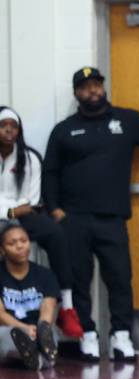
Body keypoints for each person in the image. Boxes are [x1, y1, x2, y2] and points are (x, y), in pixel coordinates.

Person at [42, 67, 139, 361]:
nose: (92, 91)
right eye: (85, 87)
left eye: (96, 85)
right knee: (79, 279)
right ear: (76, 93)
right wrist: (54, 210)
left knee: (119, 278)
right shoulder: (64, 130)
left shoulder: (126, 120)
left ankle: (121, 336)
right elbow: (50, 172)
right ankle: (87, 335)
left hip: (112, 218)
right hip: (73, 220)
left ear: (103, 88)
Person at [0, 106, 82, 338]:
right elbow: (17, 208)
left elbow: (33, 201)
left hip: (25, 215)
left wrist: (16, 212)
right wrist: (10, 211)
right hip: (9, 215)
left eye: (14, 126)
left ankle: (66, 306)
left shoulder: (30, 158)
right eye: (4, 125)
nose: (9, 130)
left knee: (56, 233)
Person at [0, 225, 59, 371]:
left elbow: (48, 307)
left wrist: (42, 327)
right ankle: (39, 359)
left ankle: (37, 357)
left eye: (23, 241)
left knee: (50, 333)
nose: (19, 246)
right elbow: (0, 315)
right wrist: (24, 328)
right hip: (10, 329)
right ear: (2, 250)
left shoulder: (45, 275)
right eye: (12, 243)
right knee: (7, 336)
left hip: (37, 329)